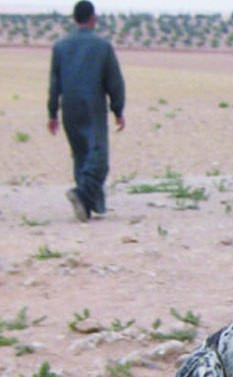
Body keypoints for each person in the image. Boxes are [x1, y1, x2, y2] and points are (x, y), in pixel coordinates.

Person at [48, 0, 125, 222]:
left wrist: (52, 113)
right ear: (92, 18)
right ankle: (81, 194)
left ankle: (87, 207)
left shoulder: (60, 46)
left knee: (81, 155)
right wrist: (118, 109)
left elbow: (54, 83)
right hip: (92, 106)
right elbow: (114, 80)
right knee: (98, 157)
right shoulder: (102, 46)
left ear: (75, 19)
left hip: (69, 107)